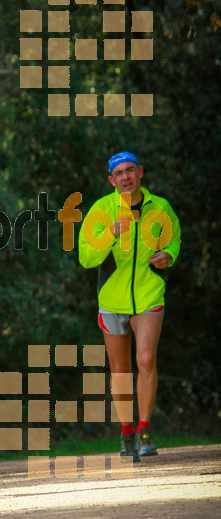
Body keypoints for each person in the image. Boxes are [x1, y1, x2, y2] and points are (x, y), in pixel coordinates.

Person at [78, 151, 181, 461]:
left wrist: (170, 255)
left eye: (130, 170)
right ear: (112, 180)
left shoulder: (159, 207)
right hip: (111, 299)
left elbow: (173, 237)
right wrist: (111, 233)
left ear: (140, 172)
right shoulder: (102, 210)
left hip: (149, 294)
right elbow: (85, 257)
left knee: (146, 358)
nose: (126, 177)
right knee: (120, 370)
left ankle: (145, 431)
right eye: (119, 173)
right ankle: (126, 432)